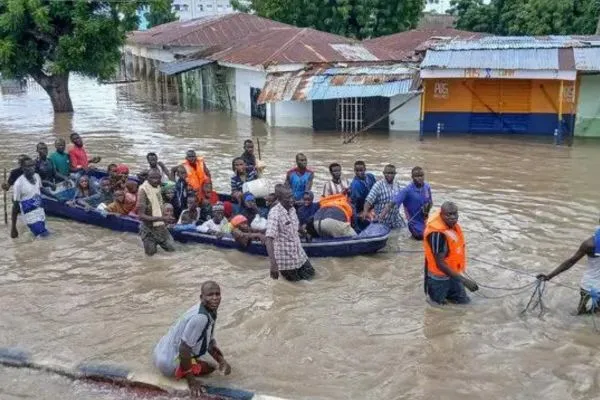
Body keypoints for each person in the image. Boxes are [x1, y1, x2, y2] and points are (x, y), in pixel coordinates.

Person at [153, 281, 231, 397]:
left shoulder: (205, 309)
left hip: (160, 351)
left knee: (216, 365)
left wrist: (221, 360)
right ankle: (179, 373)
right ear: (202, 297)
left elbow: (208, 342)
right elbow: (184, 349)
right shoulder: (201, 317)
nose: (215, 298)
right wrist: (192, 381)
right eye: (210, 295)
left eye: (217, 294)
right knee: (211, 369)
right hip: (168, 362)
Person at [537, 219, 600, 314]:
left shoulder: (590, 243)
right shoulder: (590, 244)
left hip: (588, 284)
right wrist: (549, 276)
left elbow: (571, 262)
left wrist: (549, 276)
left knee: (585, 312)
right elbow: (570, 262)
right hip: (590, 284)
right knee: (589, 311)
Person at [423, 202, 478, 305]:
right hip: (438, 278)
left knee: (464, 303)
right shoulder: (437, 234)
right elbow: (440, 264)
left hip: (453, 273)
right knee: (437, 307)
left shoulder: (450, 226)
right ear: (441, 215)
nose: (452, 217)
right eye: (449, 214)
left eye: (455, 214)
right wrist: (465, 281)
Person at [265, 184, 315, 282]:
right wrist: (273, 265)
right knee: (296, 288)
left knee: (312, 275)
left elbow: (295, 225)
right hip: (286, 260)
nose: (292, 199)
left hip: (299, 253)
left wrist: (305, 233)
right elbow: (268, 239)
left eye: (292, 196)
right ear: (279, 199)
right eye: (288, 198)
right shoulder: (275, 214)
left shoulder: (292, 208)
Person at [379, 166, 433, 240]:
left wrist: (428, 207)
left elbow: (431, 202)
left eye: (421, 175)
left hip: (425, 219)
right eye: (417, 176)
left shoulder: (427, 186)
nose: (420, 178)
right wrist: (380, 218)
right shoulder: (407, 191)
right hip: (413, 222)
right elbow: (391, 204)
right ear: (412, 177)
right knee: (422, 237)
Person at [12, 157, 58, 237]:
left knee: (40, 236)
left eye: (33, 165)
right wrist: (13, 228)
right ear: (23, 168)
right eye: (28, 166)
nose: (32, 168)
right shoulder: (18, 184)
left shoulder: (37, 176)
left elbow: (41, 189)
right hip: (29, 215)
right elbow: (15, 206)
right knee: (45, 236)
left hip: (40, 211)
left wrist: (55, 197)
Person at [137, 169, 176, 256]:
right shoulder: (143, 191)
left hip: (161, 227)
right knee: (151, 256)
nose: (155, 180)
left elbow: (172, 183)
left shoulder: (158, 186)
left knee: (173, 251)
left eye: (157, 178)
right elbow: (141, 216)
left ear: (160, 178)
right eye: (152, 178)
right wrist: (162, 218)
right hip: (148, 230)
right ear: (148, 178)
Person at [361, 164, 404, 229]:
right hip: (382, 221)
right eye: (387, 173)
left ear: (395, 174)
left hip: (396, 220)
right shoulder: (378, 185)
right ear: (383, 173)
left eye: (392, 173)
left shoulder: (397, 184)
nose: (390, 175)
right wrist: (365, 212)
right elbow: (369, 200)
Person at [3, 154, 28, 238]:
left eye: (23, 162)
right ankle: (13, 227)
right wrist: (4, 186)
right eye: (20, 162)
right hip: (18, 196)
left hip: (28, 195)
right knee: (16, 209)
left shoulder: (31, 170)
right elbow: (8, 186)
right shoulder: (15, 172)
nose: (21, 164)